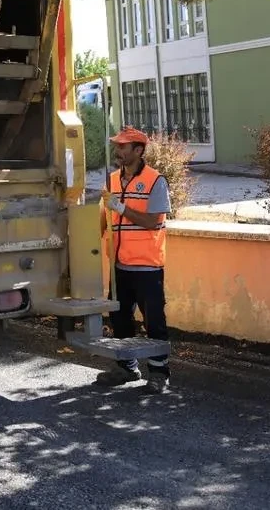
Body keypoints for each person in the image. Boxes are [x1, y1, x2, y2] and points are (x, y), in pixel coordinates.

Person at [96, 126, 171, 394]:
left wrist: (121, 208)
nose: (118, 151)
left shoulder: (155, 181)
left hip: (147, 266)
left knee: (154, 321)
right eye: (117, 146)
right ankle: (127, 368)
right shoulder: (112, 180)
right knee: (120, 320)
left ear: (138, 151)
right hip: (119, 266)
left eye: (123, 147)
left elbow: (153, 222)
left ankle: (160, 373)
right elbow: (103, 221)